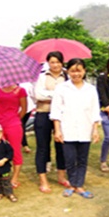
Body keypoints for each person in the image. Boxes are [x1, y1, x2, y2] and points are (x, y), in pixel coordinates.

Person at [50, 58, 100, 199]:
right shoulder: (62, 88)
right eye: (73, 71)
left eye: (79, 71)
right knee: (70, 159)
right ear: (68, 71)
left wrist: (95, 130)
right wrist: (57, 130)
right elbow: (56, 111)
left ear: (84, 71)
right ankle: (72, 184)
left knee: (82, 159)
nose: (76, 74)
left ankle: (79, 185)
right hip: (67, 128)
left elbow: (95, 111)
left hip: (85, 128)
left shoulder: (91, 89)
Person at [33, 51, 69, 193]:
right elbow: (37, 95)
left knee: (61, 145)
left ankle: (61, 176)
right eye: (52, 62)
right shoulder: (41, 76)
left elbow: (69, 95)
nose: (55, 65)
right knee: (42, 147)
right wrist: (58, 96)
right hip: (43, 113)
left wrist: (49, 95)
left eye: (58, 62)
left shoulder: (67, 76)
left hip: (62, 116)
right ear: (48, 63)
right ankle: (43, 180)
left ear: (62, 62)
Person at [0, 83, 27, 188]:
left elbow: (24, 109)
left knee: (15, 151)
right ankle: (0, 175)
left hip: (13, 124)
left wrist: (15, 120)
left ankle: (15, 177)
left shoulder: (20, 90)